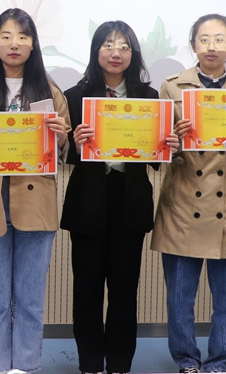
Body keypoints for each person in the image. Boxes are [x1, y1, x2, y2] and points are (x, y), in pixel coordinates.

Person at [0, 8, 70, 374]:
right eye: (5, 36)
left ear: (33, 44)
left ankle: (26, 367)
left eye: (22, 36)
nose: (14, 43)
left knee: (30, 300)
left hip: (35, 204)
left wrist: (61, 137)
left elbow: (64, 153)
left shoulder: (50, 92)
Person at [63, 21, 180, 374]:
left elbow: (155, 157)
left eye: (125, 46)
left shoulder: (149, 97)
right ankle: (89, 364)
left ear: (134, 54)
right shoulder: (74, 96)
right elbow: (62, 154)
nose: (116, 53)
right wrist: (74, 143)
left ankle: (118, 364)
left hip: (131, 200)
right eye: (109, 45)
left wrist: (168, 146)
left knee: (125, 290)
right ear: (96, 51)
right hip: (87, 200)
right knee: (86, 290)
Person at [150, 13, 226, 374]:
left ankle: (221, 362)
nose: (212, 46)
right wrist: (173, 143)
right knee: (179, 297)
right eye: (204, 39)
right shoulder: (172, 87)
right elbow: (159, 149)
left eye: (220, 39)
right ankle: (186, 360)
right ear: (193, 45)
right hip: (183, 203)